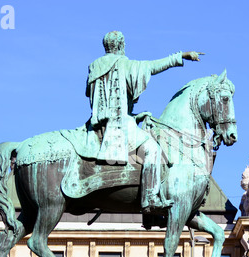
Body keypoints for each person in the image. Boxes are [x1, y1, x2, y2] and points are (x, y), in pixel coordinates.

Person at [85, 30, 202, 214]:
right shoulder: (123, 64)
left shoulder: (94, 66)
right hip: (119, 126)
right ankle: (150, 198)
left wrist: (136, 116)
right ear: (121, 46)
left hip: (97, 124)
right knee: (153, 150)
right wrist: (180, 56)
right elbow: (154, 66)